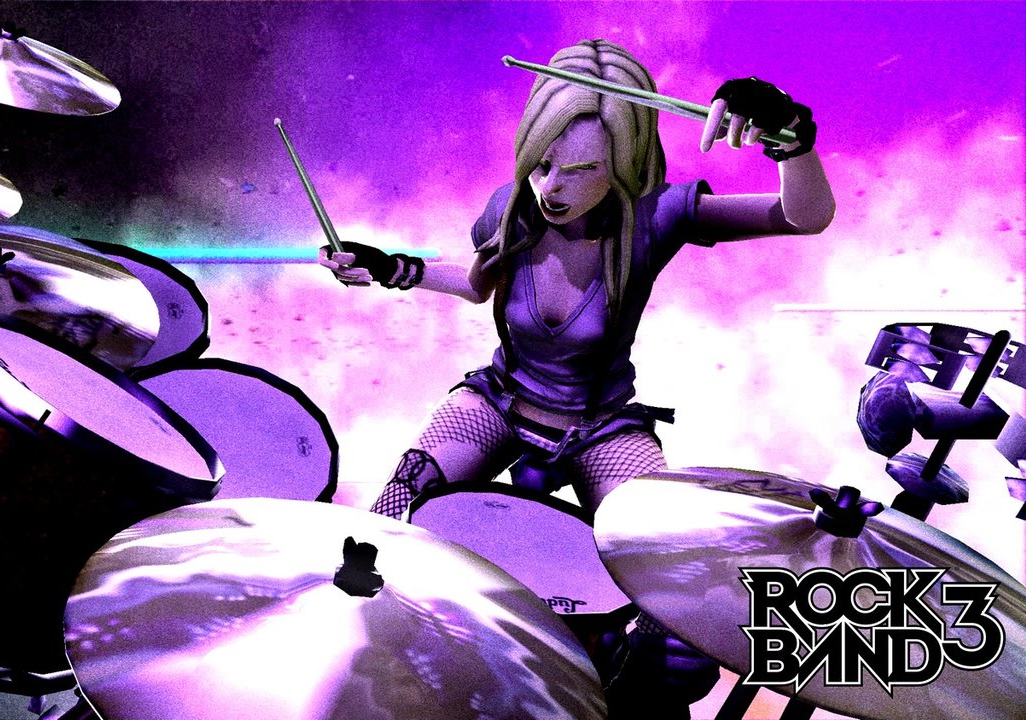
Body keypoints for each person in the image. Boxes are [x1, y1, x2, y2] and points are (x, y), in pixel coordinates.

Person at [318, 39, 833, 717]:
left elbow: (802, 217)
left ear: (622, 164)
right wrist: (391, 268)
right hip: (501, 399)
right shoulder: (514, 207)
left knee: (660, 579)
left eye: (579, 169)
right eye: (542, 165)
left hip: (601, 424)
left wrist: (792, 139)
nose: (551, 188)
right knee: (393, 511)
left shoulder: (657, 216)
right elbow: (475, 283)